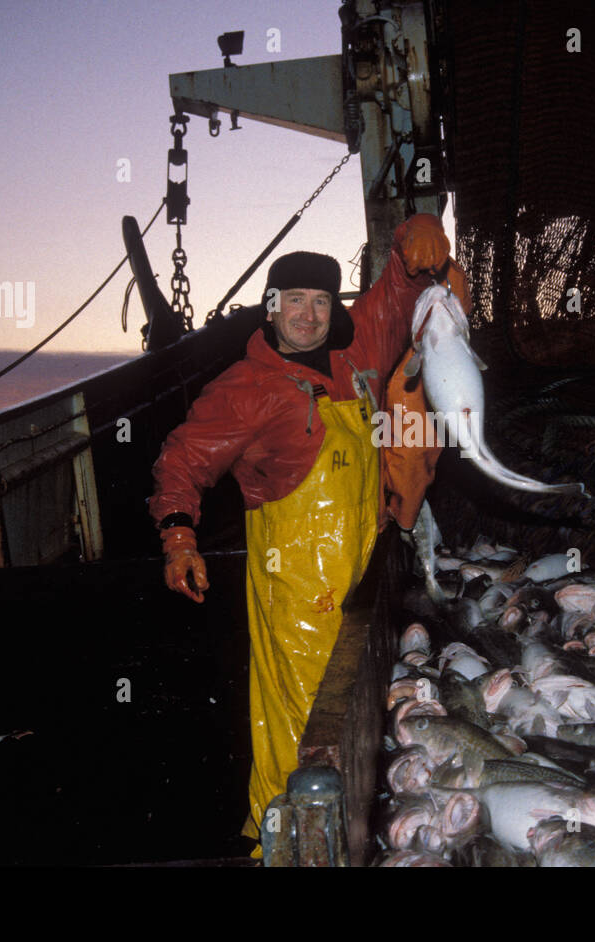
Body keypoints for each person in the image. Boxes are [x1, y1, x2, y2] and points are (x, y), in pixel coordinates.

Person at [147, 212, 468, 852]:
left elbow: (393, 297)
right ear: (270, 308)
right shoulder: (247, 387)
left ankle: (348, 836)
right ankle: (281, 845)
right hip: (296, 597)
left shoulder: (356, 360)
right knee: (302, 731)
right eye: (293, 300)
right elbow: (182, 459)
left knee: (359, 720)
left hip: (362, 575)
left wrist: (414, 240)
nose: (308, 314)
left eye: (320, 301)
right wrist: (179, 535)